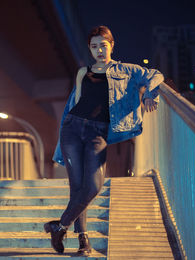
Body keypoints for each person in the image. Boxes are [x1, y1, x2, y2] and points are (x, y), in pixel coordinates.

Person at [44, 25, 164, 256]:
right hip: (72, 128)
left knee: (93, 186)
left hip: (98, 133)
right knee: (77, 188)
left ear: (111, 46)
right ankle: (83, 242)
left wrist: (149, 94)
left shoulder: (126, 70)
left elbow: (155, 75)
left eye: (103, 45)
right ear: (90, 49)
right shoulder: (82, 72)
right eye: (94, 46)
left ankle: (59, 226)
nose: (99, 50)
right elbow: (74, 103)